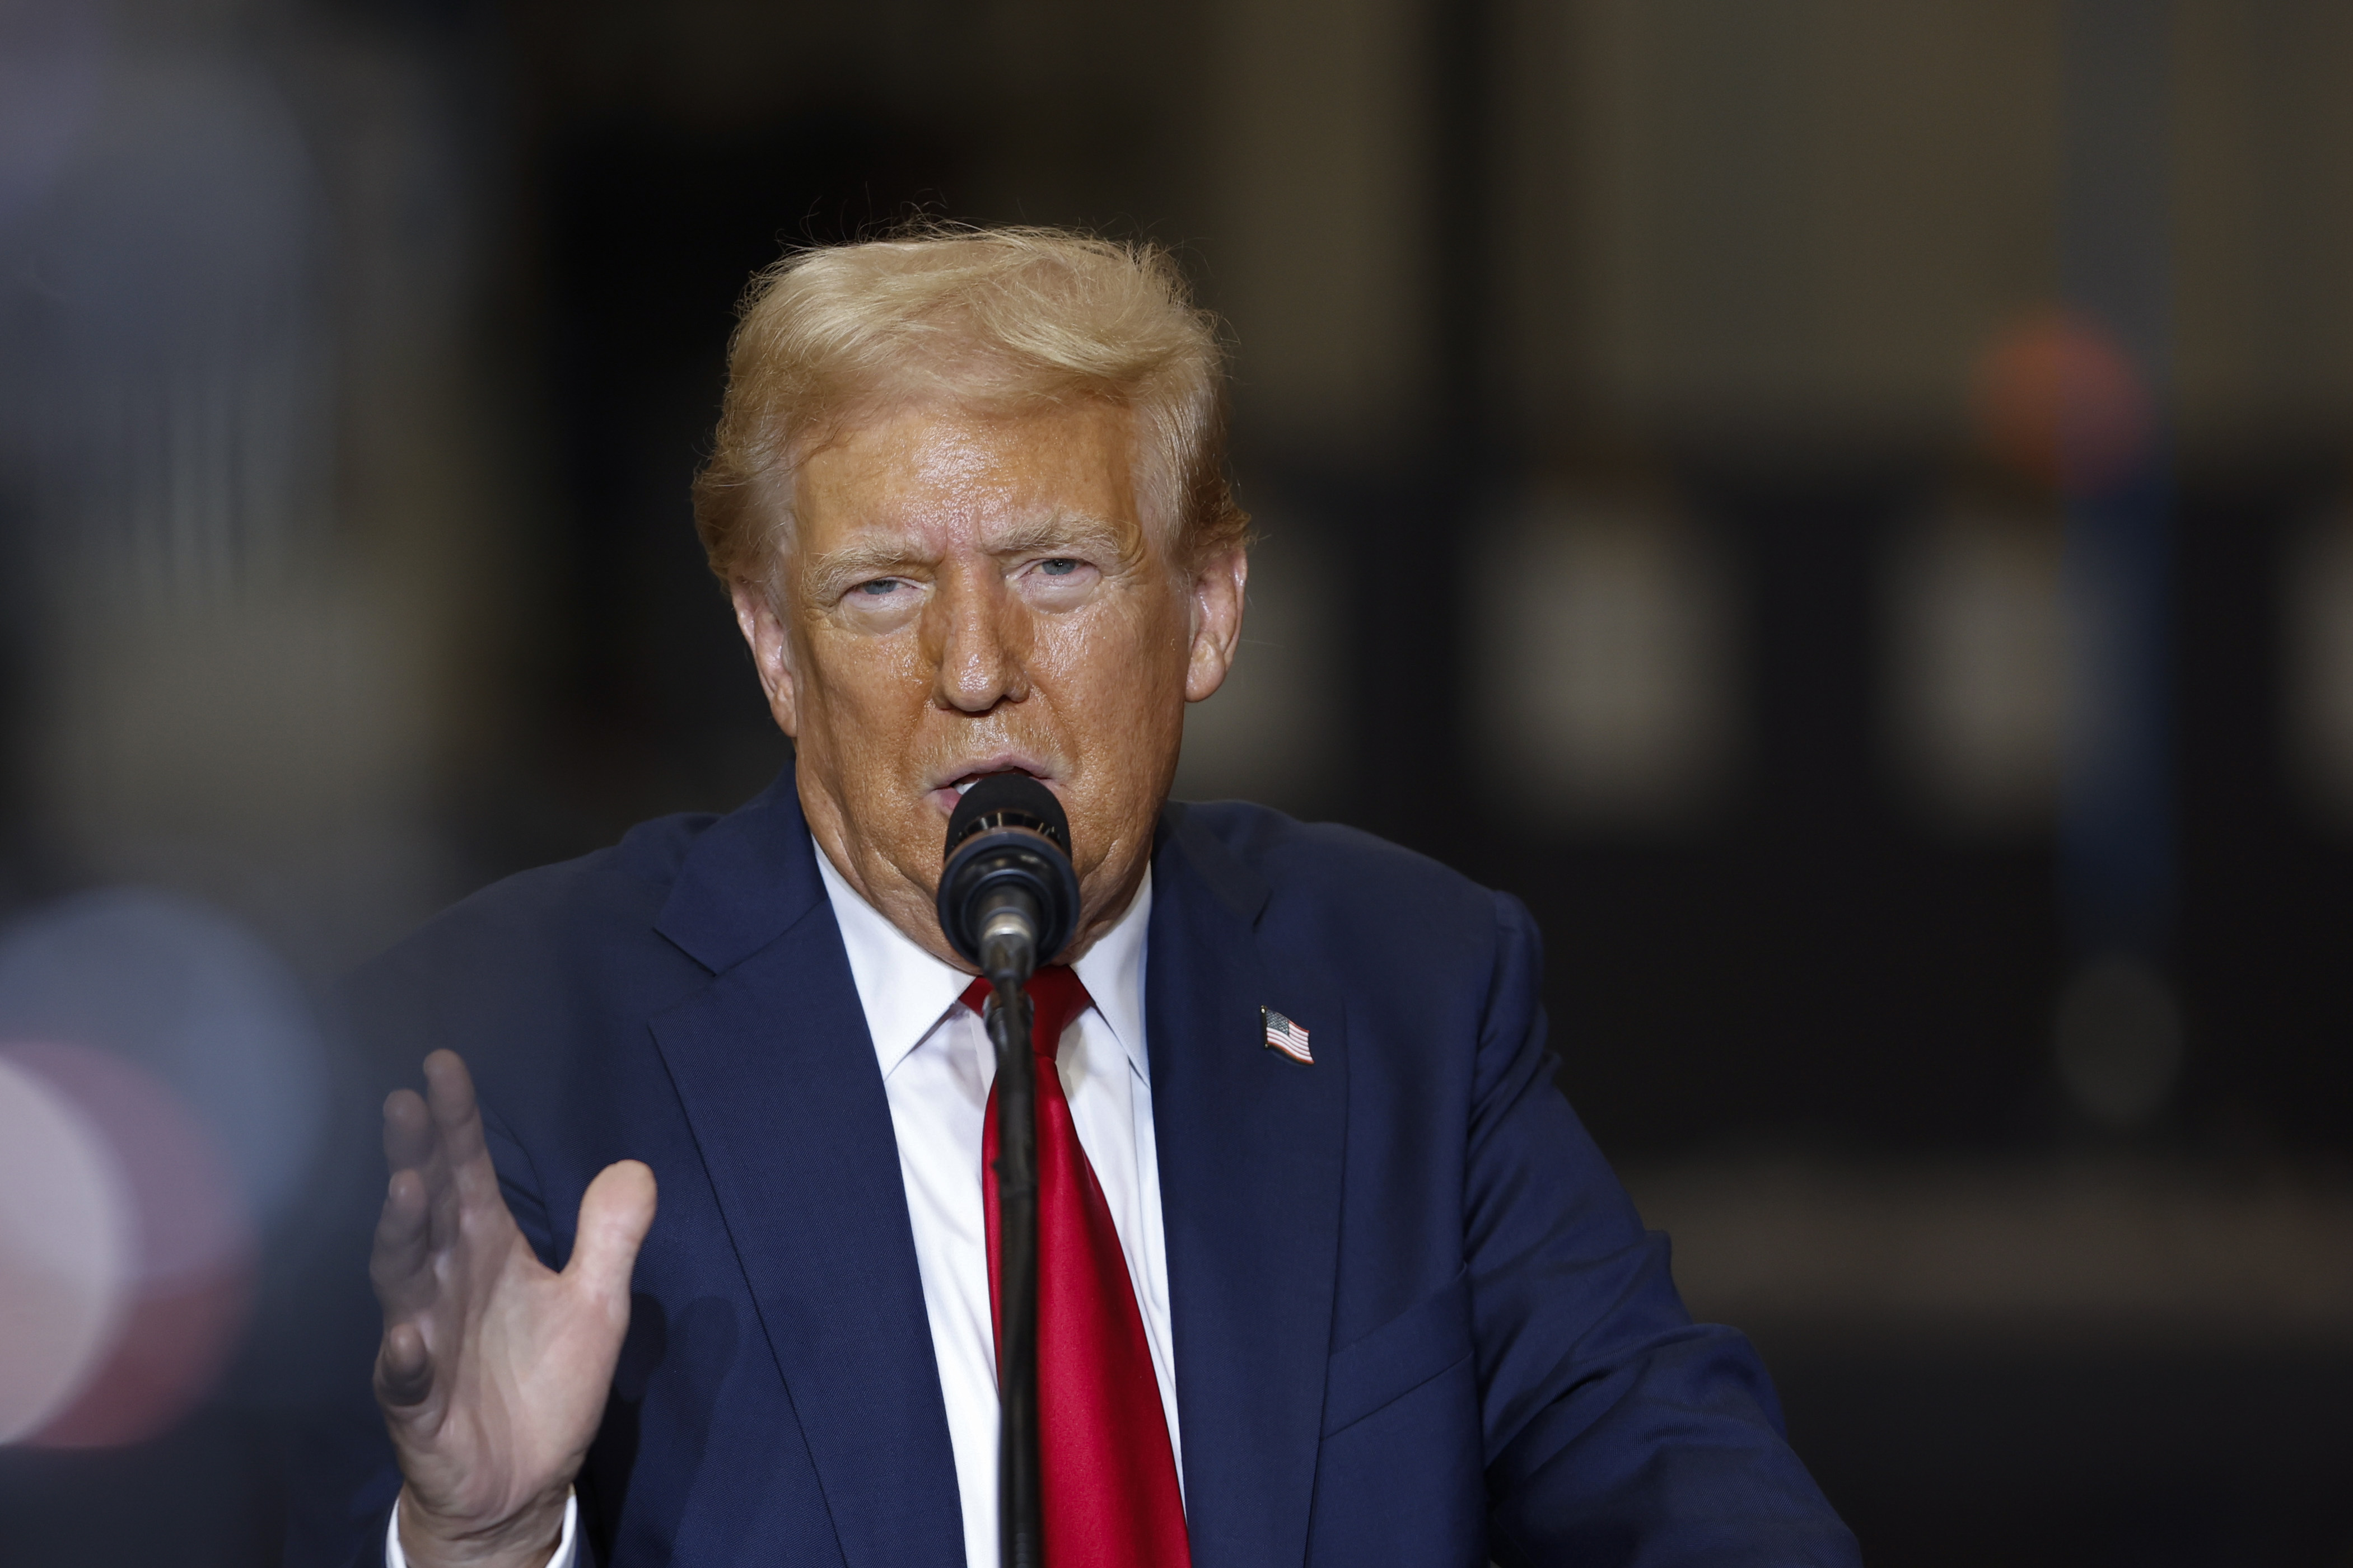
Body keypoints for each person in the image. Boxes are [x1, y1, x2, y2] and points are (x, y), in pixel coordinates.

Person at [309, 227, 1859, 1568]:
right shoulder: (507, 1040)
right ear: (774, 648)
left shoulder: (1407, 988)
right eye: (880, 587)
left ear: (1206, 607)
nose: (974, 668)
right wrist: (485, 1540)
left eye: (1054, 569)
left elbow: (1676, 1478)